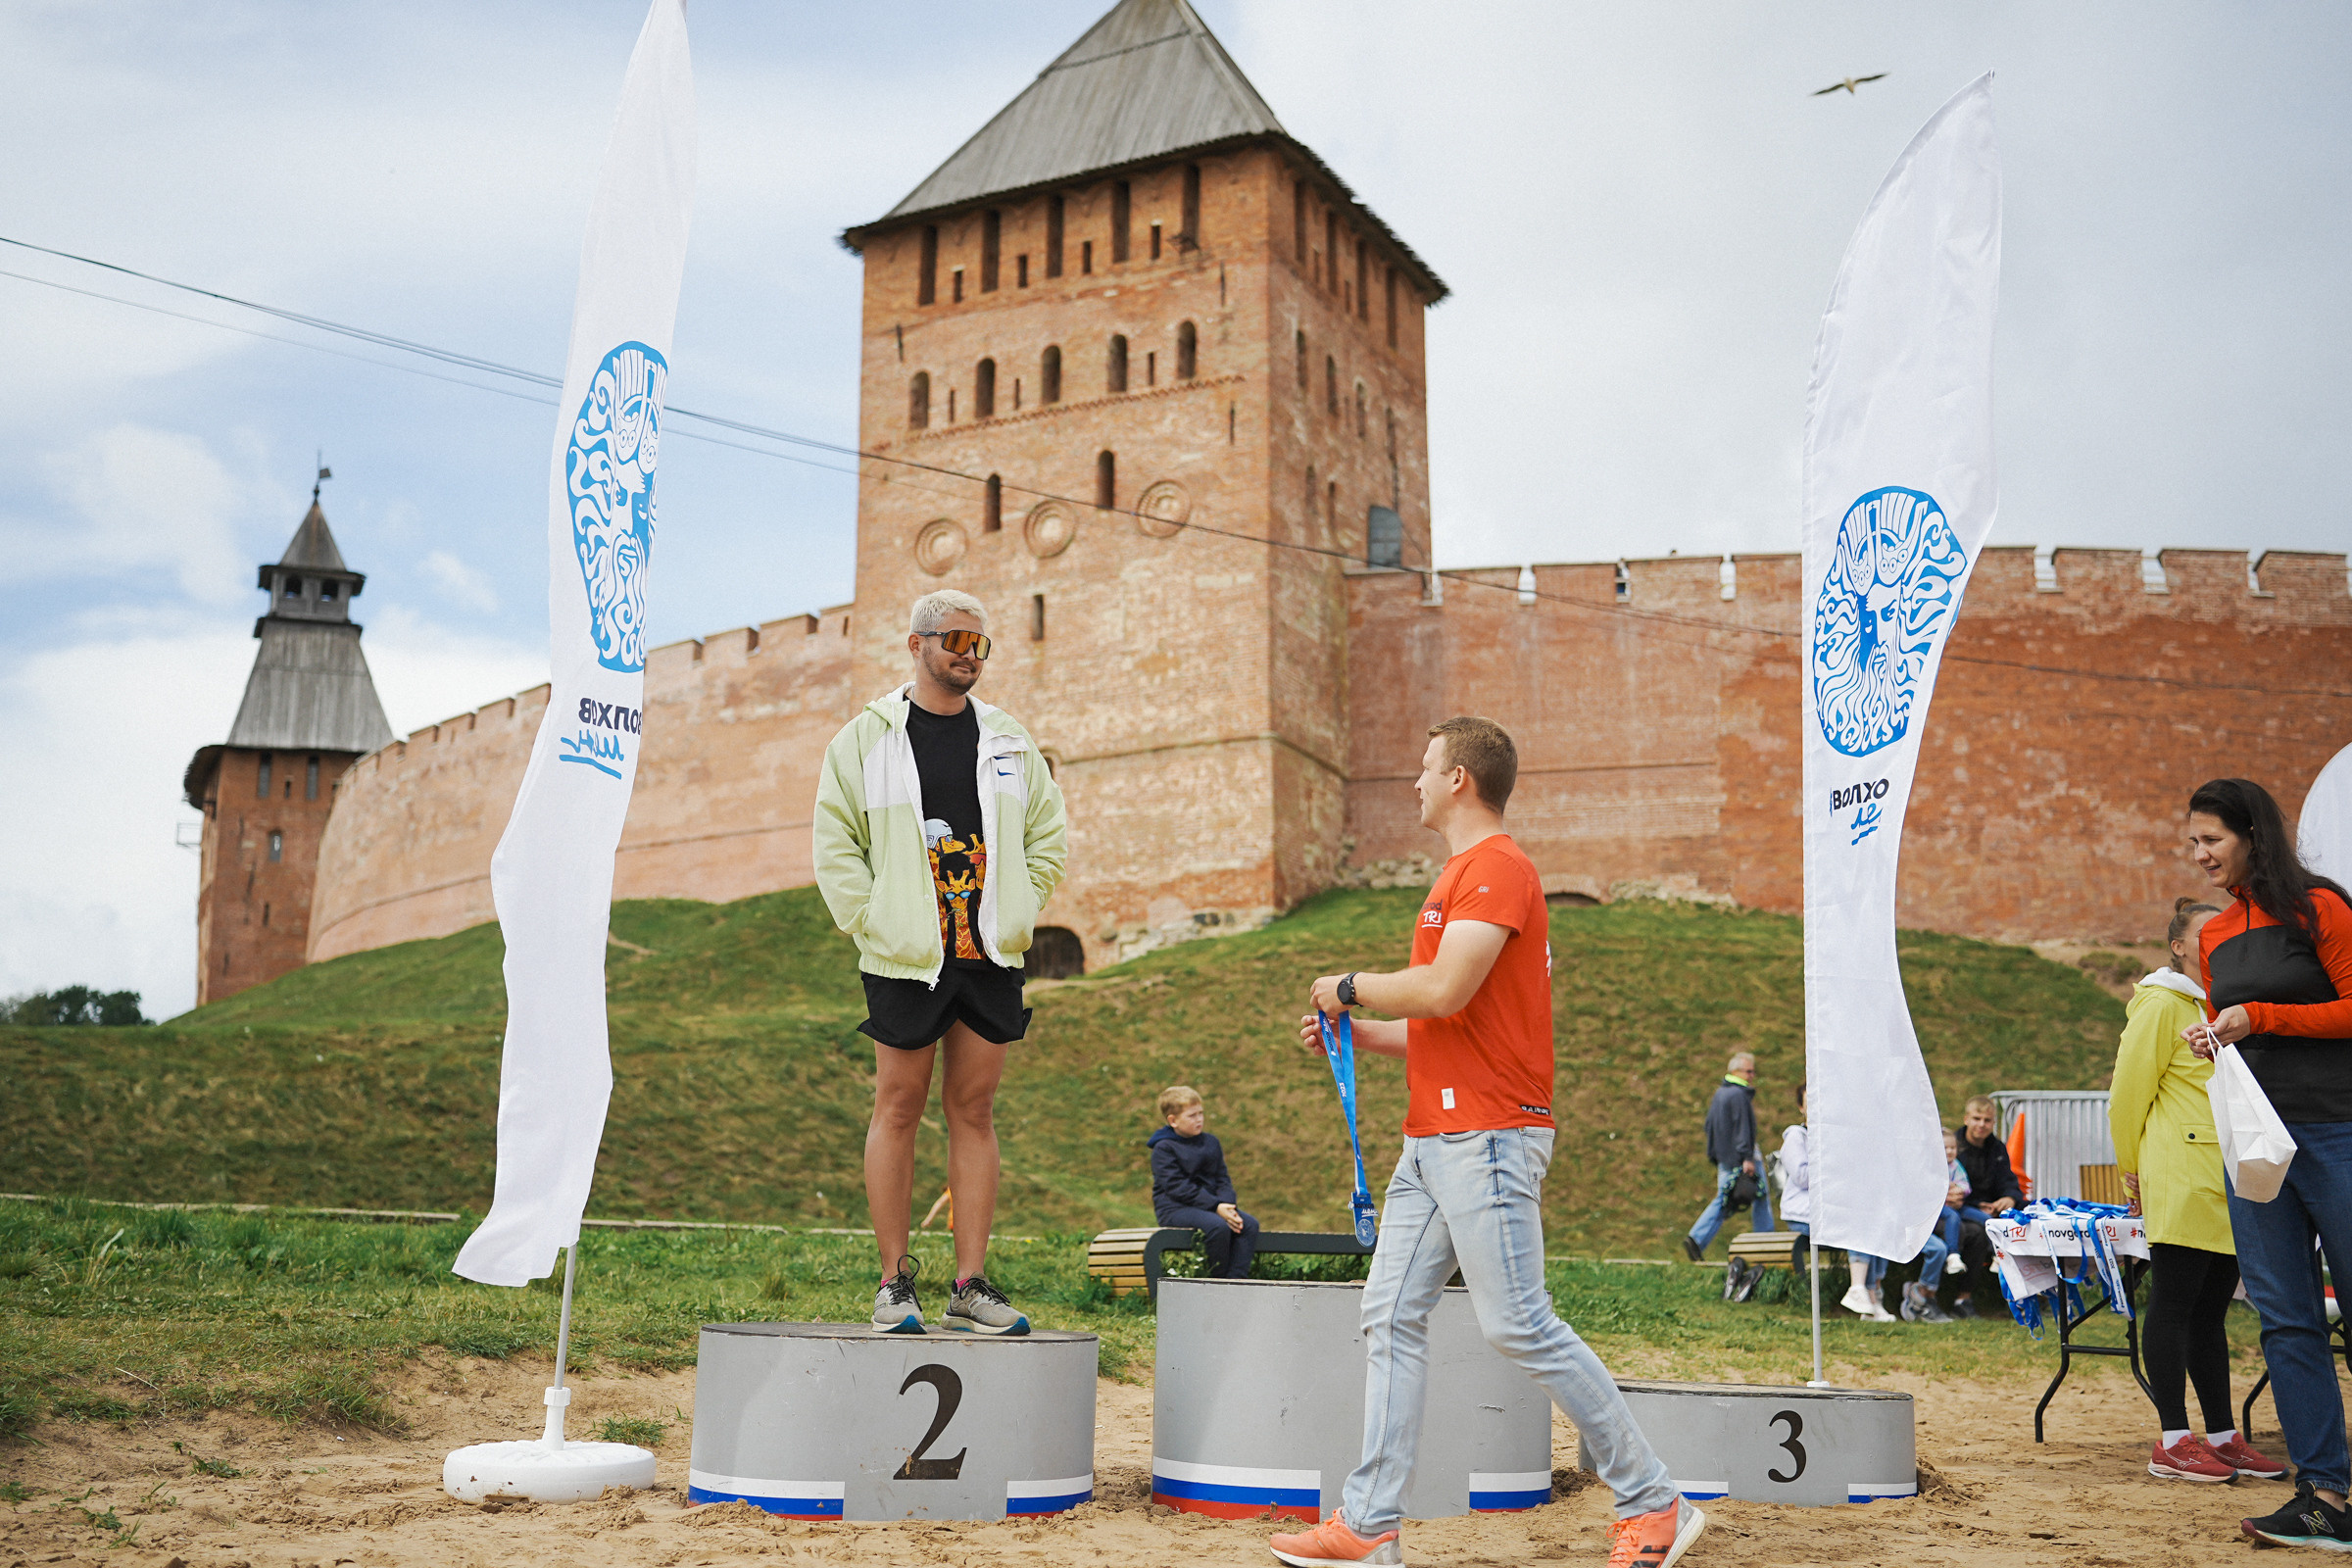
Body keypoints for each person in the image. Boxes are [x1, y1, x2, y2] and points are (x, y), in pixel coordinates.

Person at [1267, 716, 1702, 1568]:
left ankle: (1655, 1501)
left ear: (1461, 778)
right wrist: (1355, 1035)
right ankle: (1369, 1525)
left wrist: (1348, 987)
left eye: (1425, 769)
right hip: (1436, 1139)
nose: (1415, 783)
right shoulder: (1460, 876)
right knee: (1388, 1316)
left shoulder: (1497, 869)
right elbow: (1442, 1018)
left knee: (1520, 1325)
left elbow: (1444, 986)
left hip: (1489, 1134)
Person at [814, 589, 1067, 1337]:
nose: (969, 653)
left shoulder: (1010, 740)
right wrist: (872, 919)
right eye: (956, 639)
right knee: (898, 1104)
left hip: (987, 948)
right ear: (917, 644)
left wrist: (1020, 901)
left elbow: (1048, 835)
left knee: (976, 1111)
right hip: (905, 950)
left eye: (981, 644)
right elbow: (835, 843)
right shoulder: (865, 738)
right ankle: (894, 1284)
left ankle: (970, 1284)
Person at [2180, 778, 2352, 1548]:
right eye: (2194, 841)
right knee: (2285, 1321)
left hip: (2339, 1131)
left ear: (2254, 834)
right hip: (2258, 1147)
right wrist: (2217, 1034)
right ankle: (2326, 1495)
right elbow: (2242, 1029)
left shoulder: (2321, 907)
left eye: (2212, 839)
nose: (2200, 854)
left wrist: (2260, 1016)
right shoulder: (2214, 936)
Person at [2112, 894, 2285, 1485]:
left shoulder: (2229, 1006)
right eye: (2204, 934)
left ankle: (2220, 1435)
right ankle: (2172, 1439)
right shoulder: (2161, 1005)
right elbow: (2128, 1093)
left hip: (2227, 1176)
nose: (2217, 940)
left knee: (2211, 1313)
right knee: (2175, 1303)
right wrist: (2129, 1167)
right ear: (2178, 946)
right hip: (2181, 1176)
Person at [1150, 1085, 1259, 1279]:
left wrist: (1228, 1206)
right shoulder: (1164, 1148)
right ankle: (1214, 1281)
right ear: (1173, 1121)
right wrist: (1216, 1206)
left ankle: (1237, 1281)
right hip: (1175, 1208)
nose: (1199, 1119)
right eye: (1192, 1116)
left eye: (1201, 1113)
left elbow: (1222, 1178)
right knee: (1218, 1227)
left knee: (1248, 1224)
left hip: (1211, 1207)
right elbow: (1177, 1187)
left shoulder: (1211, 1142)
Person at [1682, 1053, 1772, 1262]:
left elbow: (1709, 1127)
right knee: (1760, 1198)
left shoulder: (1720, 1094)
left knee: (1725, 1200)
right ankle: (1766, 1244)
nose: (1752, 1075)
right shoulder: (1739, 1095)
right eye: (1749, 1071)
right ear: (1735, 1072)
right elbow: (1743, 1129)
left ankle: (1696, 1239)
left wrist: (1715, 1155)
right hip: (1741, 1159)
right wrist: (1747, 1158)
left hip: (1725, 1158)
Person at [1953, 1095, 2025, 1216]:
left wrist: (2010, 1198)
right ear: (1966, 1119)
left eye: (1987, 1120)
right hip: (1964, 1206)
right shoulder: (1952, 1148)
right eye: (1976, 1119)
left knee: (2031, 1209)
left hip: (1995, 1206)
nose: (1981, 1124)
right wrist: (1976, 1205)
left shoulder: (1998, 1148)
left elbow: (2008, 1180)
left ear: (1993, 1123)